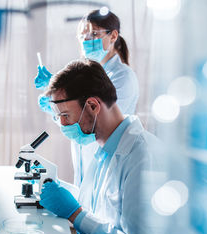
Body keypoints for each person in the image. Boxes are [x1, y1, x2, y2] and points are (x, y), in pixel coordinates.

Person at [39, 59, 164, 234]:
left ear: (93, 105)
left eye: (65, 115)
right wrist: (62, 192)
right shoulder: (104, 150)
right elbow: (101, 211)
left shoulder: (142, 157)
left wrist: (76, 214)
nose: (62, 125)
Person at [34, 9, 140, 190]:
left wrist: (63, 97)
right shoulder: (90, 75)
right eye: (82, 36)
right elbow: (80, 118)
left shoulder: (123, 77)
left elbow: (97, 121)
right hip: (90, 168)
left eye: (93, 34)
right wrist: (57, 105)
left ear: (113, 35)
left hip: (110, 164)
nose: (86, 41)